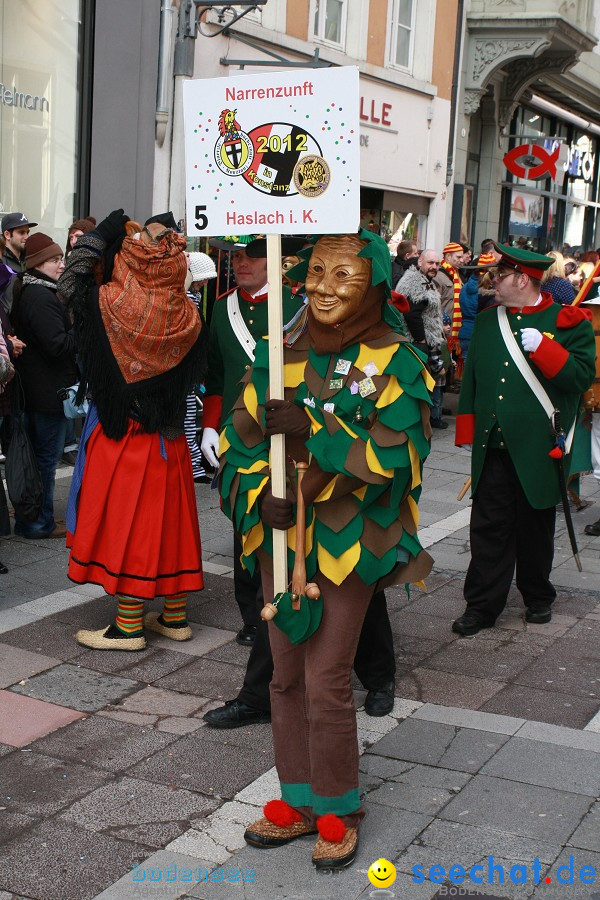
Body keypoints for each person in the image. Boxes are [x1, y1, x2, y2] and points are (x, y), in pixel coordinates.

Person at [220, 229, 433, 869]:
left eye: (344, 275)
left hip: (349, 539)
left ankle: (339, 805)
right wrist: (261, 495)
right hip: (278, 541)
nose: (323, 288)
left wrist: (314, 435)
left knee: (326, 678)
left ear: (372, 284)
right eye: (316, 271)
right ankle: (298, 798)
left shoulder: (398, 361)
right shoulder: (277, 354)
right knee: (283, 675)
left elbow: (398, 454)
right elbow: (237, 444)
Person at [57, 210, 205, 650]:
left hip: (126, 437)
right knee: (171, 522)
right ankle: (174, 617)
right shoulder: (187, 313)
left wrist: (97, 238)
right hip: (171, 438)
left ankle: (128, 626)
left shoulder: (111, 304)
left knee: (130, 525)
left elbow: (69, 287)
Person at [453, 243, 596, 636]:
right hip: (493, 444)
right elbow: (473, 382)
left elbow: (581, 378)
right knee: (488, 528)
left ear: (522, 279)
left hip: (538, 446)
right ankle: (481, 605)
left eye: (499, 276)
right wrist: (466, 429)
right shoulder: (487, 322)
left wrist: (546, 349)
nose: (492, 282)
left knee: (534, 526)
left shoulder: (568, 320)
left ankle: (537, 595)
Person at [200, 236, 303, 646]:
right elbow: (216, 372)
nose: (240, 262)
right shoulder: (222, 305)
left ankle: (288, 599)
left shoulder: (298, 304)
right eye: (236, 256)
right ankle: (252, 616)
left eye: (251, 255)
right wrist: (211, 425)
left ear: (274, 259)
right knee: (243, 522)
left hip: (284, 431)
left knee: (286, 519)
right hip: (237, 435)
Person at [9, 233, 76, 539]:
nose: (61, 265)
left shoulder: (33, 290)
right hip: (47, 392)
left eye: (61, 258)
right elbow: (57, 346)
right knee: (45, 460)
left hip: (37, 390)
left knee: (39, 459)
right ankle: (39, 523)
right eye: (54, 260)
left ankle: (35, 520)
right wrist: (82, 334)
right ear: (38, 264)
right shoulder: (41, 297)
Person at [396, 249, 447, 428]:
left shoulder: (424, 280)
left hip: (420, 343)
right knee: (416, 388)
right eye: (430, 263)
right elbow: (411, 315)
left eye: (437, 263)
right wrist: (422, 341)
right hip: (416, 344)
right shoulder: (416, 284)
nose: (434, 267)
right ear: (419, 263)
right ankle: (413, 424)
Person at [185, 251, 216, 482]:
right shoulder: (186, 301)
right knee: (187, 416)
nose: (206, 283)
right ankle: (193, 466)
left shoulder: (191, 299)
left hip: (191, 368)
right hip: (187, 368)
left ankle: (194, 464)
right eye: (203, 278)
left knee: (189, 415)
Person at [458, 252, 497, 362]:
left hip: (465, 333)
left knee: (467, 374)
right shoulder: (489, 292)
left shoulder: (465, 287)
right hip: (481, 335)